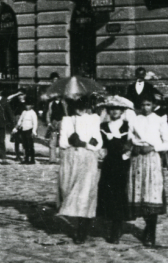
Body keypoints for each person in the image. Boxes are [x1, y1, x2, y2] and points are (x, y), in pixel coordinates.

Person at [125, 95, 168, 248]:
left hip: (152, 159)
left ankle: (151, 231)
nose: (145, 107)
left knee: (152, 194)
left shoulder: (160, 120)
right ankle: (147, 225)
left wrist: (153, 147)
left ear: (153, 105)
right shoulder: (134, 120)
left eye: (148, 104)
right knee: (139, 194)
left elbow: (167, 143)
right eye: (143, 104)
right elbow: (129, 138)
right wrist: (133, 147)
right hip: (137, 160)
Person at [57, 96, 103, 244]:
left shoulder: (94, 119)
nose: (79, 109)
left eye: (82, 105)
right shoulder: (67, 120)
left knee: (84, 194)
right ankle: (79, 224)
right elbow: (62, 143)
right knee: (70, 192)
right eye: (76, 106)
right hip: (70, 159)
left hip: (88, 158)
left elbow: (97, 142)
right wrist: (71, 139)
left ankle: (82, 230)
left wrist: (83, 143)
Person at [95, 96, 134, 244]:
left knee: (120, 194)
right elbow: (97, 142)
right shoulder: (103, 127)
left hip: (123, 164)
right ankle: (109, 223)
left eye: (118, 109)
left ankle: (116, 229)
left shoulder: (127, 126)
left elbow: (131, 142)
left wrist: (127, 151)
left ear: (123, 111)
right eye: (112, 109)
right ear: (108, 111)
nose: (115, 111)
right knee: (108, 193)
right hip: (109, 164)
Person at [46, 72, 67, 164]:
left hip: (62, 121)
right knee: (52, 140)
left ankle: (62, 158)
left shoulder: (63, 103)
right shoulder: (51, 103)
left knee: (62, 140)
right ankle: (52, 158)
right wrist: (49, 122)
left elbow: (66, 112)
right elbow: (48, 113)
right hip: (54, 121)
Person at [13, 97, 39, 164]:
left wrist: (34, 131)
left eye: (29, 105)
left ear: (31, 106)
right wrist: (16, 128)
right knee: (25, 145)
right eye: (26, 105)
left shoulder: (33, 113)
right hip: (23, 130)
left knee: (30, 145)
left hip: (29, 130)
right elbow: (20, 121)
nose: (27, 106)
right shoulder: (24, 112)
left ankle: (32, 159)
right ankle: (26, 159)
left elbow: (35, 123)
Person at [8, 89, 28, 162]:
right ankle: (17, 155)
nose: (20, 96)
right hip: (17, 120)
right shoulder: (15, 103)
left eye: (22, 94)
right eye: (19, 95)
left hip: (25, 121)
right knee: (16, 139)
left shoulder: (27, 103)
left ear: (25, 95)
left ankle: (25, 155)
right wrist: (16, 94)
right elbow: (8, 98)